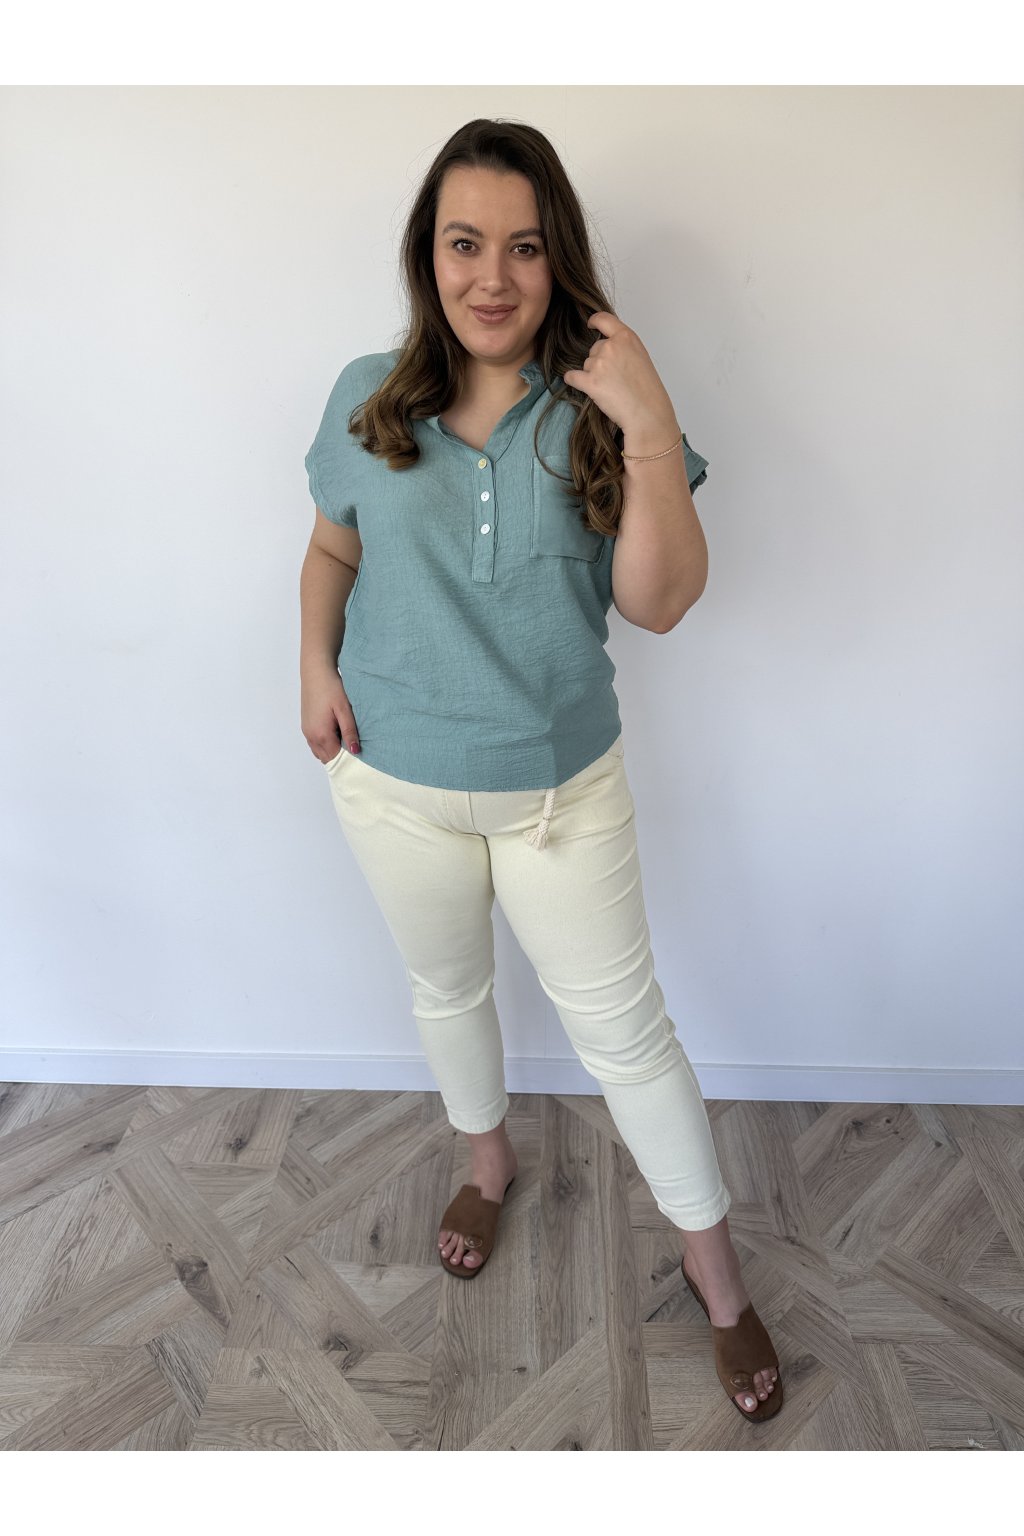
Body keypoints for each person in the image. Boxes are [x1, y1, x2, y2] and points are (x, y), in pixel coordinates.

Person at [299, 118, 782, 1422]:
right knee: (447, 988)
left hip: (562, 798)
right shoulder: (367, 395)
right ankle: (487, 1161)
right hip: (389, 782)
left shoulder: (600, 413)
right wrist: (314, 666)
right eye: (465, 243)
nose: (493, 276)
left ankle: (719, 1279)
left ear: (558, 258)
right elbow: (333, 548)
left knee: (630, 1038)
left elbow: (661, 602)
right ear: (429, 255)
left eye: (523, 247)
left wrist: (651, 417)